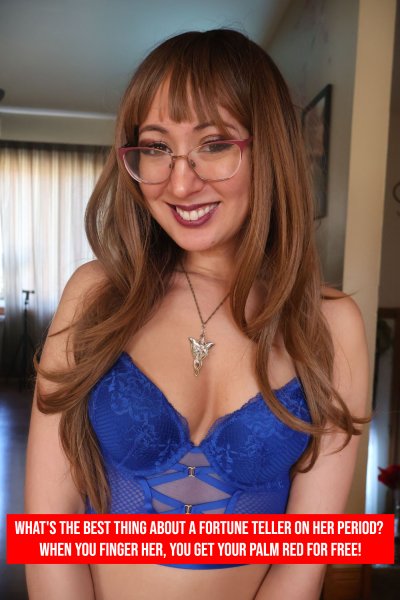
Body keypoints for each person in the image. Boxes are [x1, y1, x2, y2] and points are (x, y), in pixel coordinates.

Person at [25, 29, 369, 600]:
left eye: (214, 144)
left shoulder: (331, 327)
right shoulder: (97, 297)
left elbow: (303, 563)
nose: (180, 182)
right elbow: (50, 526)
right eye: (156, 147)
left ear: (270, 150)